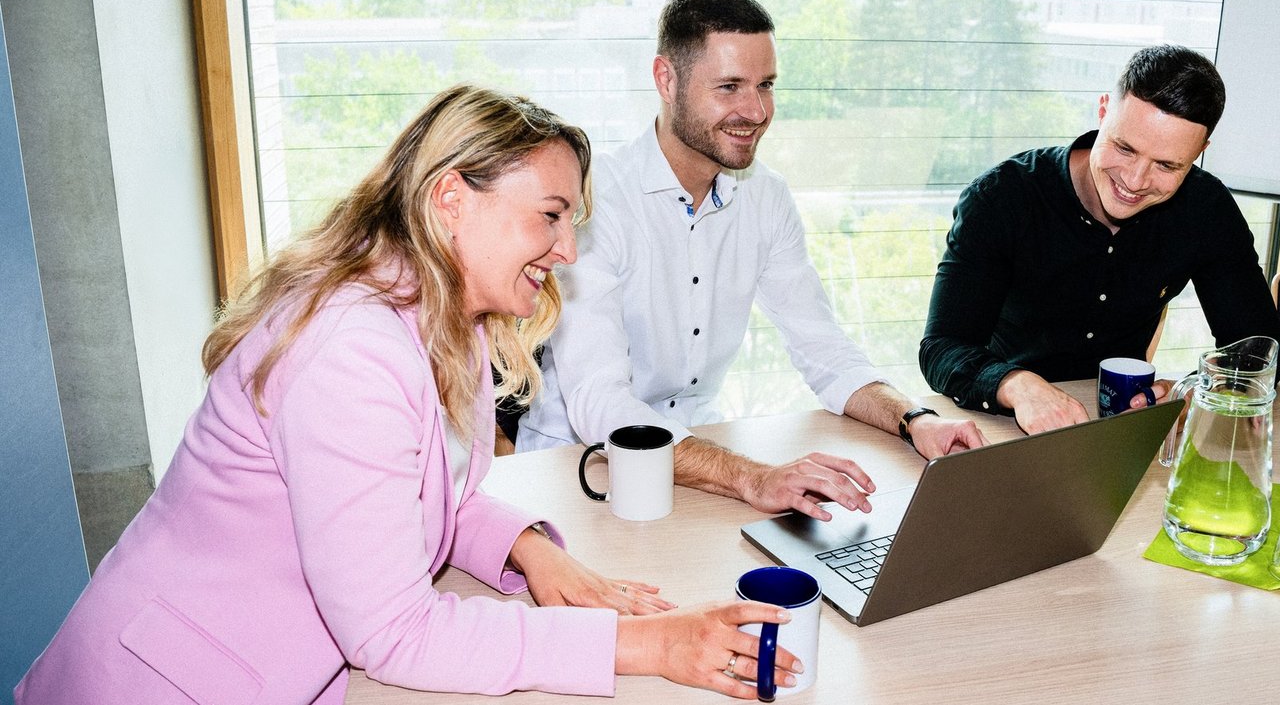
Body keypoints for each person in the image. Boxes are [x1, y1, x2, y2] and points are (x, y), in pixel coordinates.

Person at [15, 85, 803, 704]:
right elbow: (393, 630)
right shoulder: (352, 348)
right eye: (553, 217)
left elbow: (415, 493)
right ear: (451, 199)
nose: (567, 250)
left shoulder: (440, 315)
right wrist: (651, 644)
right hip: (168, 683)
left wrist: (527, 549)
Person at [516, 0, 987, 522]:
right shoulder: (593, 198)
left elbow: (824, 349)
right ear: (665, 80)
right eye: (729, 87)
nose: (756, 110)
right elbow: (602, 404)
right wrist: (753, 476)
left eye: (766, 85)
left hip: (702, 465)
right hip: (578, 471)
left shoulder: (766, 197)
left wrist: (916, 419)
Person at [920, 44, 1280, 435]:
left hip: (1122, 431)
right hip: (1002, 422)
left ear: (1200, 152)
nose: (1134, 181)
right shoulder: (1003, 197)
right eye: (1125, 148)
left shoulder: (1206, 209)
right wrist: (1016, 385)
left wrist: (1197, 390)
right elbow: (942, 347)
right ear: (1102, 112)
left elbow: (1261, 349)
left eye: (1167, 165)